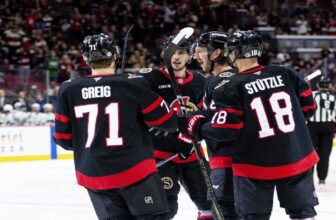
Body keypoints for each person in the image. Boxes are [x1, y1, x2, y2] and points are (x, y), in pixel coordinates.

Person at [178, 30, 320, 220]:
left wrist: (196, 127)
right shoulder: (286, 73)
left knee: (253, 216)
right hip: (297, 157)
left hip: (255, 165)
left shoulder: (229, 86)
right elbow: (309, 108)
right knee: (303, 214)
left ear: (234, 53)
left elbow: (225, 131)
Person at [53, 33, 178, 220]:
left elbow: (64, 140)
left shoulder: (68, 88)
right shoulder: (134, 83)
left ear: (85, 58)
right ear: (115, 55)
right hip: (135, 171)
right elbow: (168, 122)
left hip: (93, 174)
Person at [139, 35, 212, 220]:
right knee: (166, 209)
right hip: (161, 156)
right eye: (172, 52)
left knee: (209, 205)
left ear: (190, 56)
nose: (176, 57)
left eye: (182, 53)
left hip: (192, 154)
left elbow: (205, 114)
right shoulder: (149, 79)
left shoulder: (200, 81)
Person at [192, 31, 239, 219]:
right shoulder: (234, 78)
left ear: (216, 53)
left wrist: (197, 127)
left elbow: (224, 128)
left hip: (227, 163)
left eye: (200, 51)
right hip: (235, 163)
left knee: (224, 210)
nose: (195, 56)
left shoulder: (219, 82)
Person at [307, 76, 336, 185]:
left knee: (310, 154)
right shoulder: (335, 98)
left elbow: (303, 110)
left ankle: (309, 179)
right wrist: (334, 130)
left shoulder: (312, 95)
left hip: (312, 127)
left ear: (318, 85)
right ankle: (322, 179)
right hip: (328, 128)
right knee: (324, 155)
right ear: (330, 86)